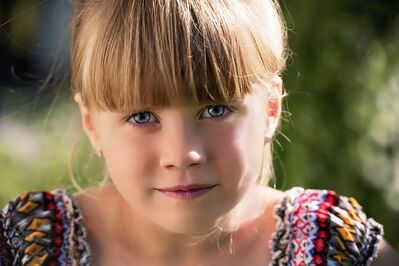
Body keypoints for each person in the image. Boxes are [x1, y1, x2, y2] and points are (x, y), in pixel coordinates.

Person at [0, 0, 397, 265]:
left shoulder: (332, 248)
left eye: (215, 109)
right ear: (91, 124)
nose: (183, 153)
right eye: (141, 117)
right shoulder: (30, 247)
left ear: (271, 108)